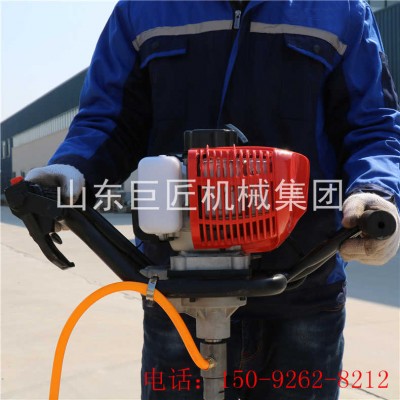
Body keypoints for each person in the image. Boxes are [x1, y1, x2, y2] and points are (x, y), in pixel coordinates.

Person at [25, 1, 400, 399]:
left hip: (303, 287)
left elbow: (372, 123)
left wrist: (375, 193)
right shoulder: (143, 11)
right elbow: (109, 117)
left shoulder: (339, 10)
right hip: (176, 289)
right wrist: (70, 171)